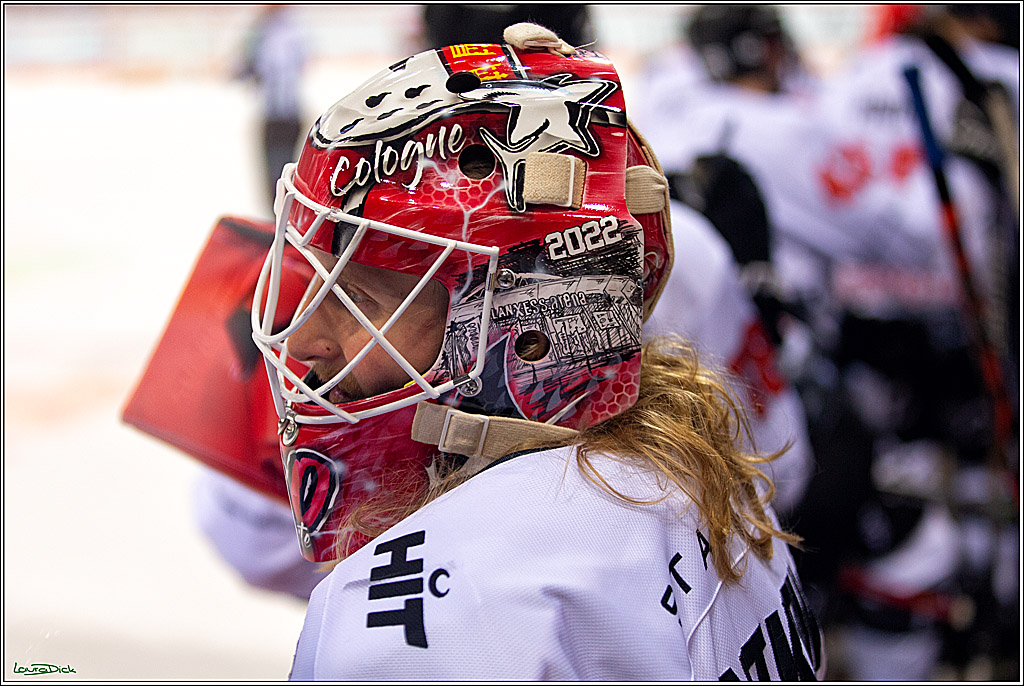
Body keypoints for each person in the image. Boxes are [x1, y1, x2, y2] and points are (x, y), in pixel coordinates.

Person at [241, 23, 823, 679]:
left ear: (520, 325)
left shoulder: (429, 622)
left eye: (358, 301)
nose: (304, 337)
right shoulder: (704, 469)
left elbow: (240, 538)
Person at [236, 5, 308, 210]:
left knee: (277, 179)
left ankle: (280, 225)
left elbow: (244, 70)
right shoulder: (296, 28)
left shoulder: (265, 32)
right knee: (285, 175)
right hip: (291, 112)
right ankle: (284, 222)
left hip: (276, 113)